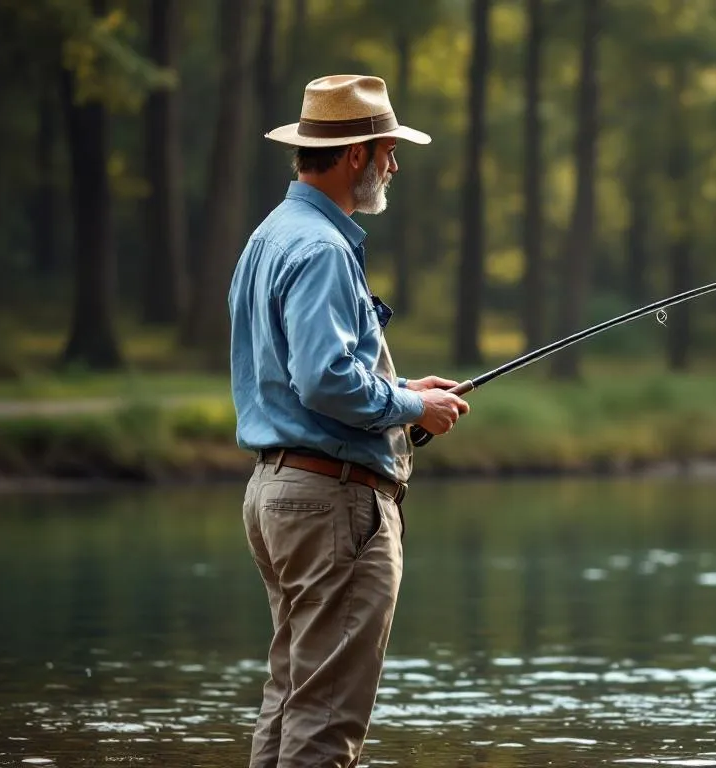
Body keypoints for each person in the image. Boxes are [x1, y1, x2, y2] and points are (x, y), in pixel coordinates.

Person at [228, 74, 469, 768]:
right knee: (328, 717)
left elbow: (301, 374)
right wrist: (411, 406)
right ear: (357, 155)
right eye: (389, 150)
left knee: (293, 695)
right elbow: (325, 380)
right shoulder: (324, 249)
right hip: (331, 501)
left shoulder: (270, 236)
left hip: (278, 494)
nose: (395, 165)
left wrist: (399, 388)